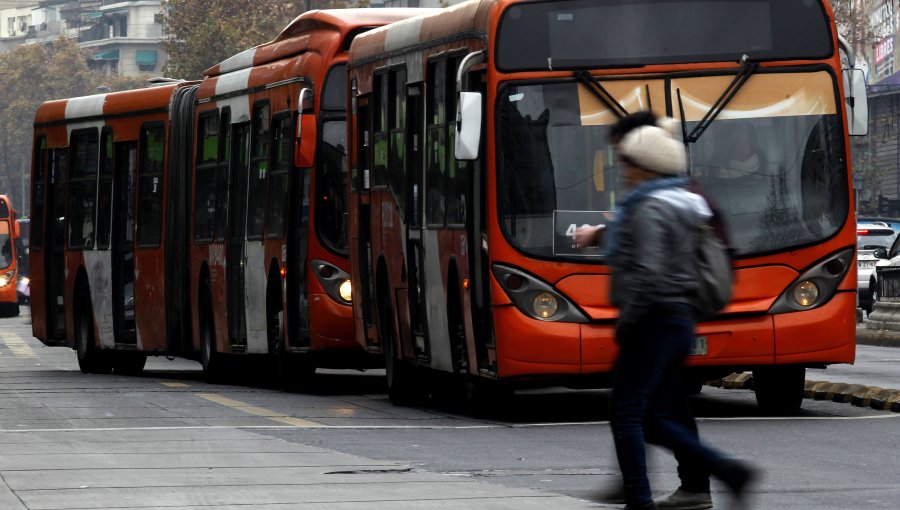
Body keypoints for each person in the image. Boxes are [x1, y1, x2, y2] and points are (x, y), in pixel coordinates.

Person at [602, 115, 755, 510]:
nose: (623, 172)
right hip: (677, 317)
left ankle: (640, 500)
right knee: (656, 415)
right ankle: (727, 472)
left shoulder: (651, 206)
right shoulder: (685, 203)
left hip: (654, 318)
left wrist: (628, 320)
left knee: (626, 413)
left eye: (628, 164)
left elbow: (649, 274)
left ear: (645, 167)